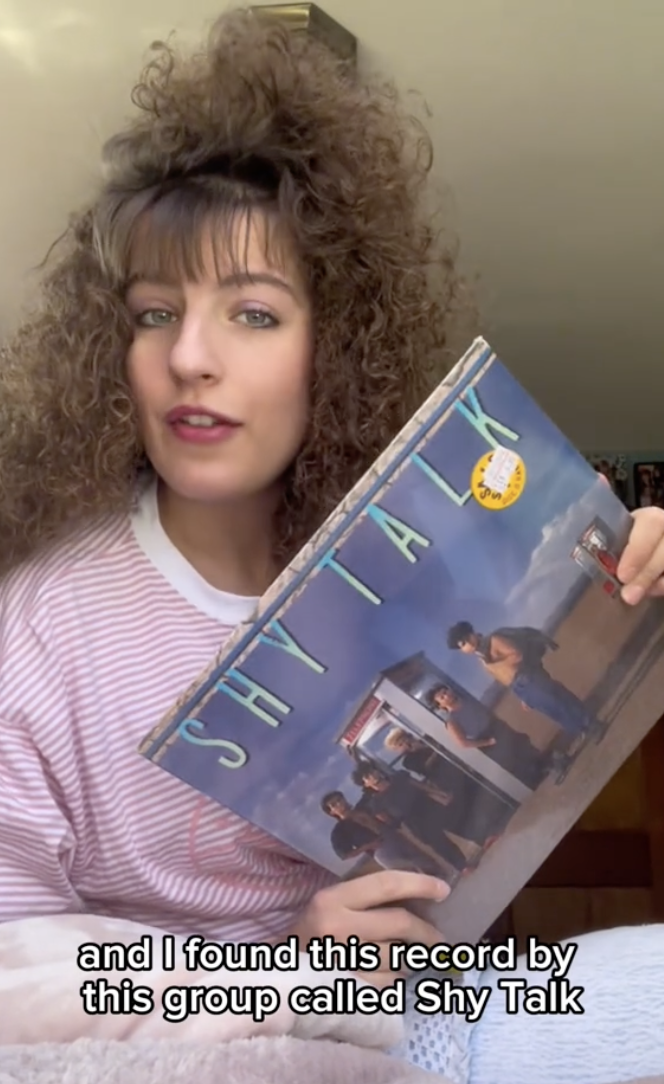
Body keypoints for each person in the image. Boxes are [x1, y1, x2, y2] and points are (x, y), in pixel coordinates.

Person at [1, 10, 664, 1084]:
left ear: (337, 342)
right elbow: (14, 984)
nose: (192, 358)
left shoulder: (424, 533)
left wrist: (637, 575)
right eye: (153, 312)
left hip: (435, 1016)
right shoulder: (41, 625)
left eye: (253, 315)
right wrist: (289, 977)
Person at [447, 621, 602, 742]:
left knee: (558, 700)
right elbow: (503, 679)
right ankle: (582, 729)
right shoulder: (482, 659)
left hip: (528, 676)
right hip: (520, 686)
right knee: (551, 710)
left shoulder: (493, 641)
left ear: (473, 633)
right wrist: (521, 697)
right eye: (463, 644)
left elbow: (516, 655)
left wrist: (496, 663)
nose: (468, 644)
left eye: (467, 638)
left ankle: (591, 724)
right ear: (462, 650)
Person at [384, 726, 513, 840]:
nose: (403, 745)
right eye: (399, 745)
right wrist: (432, 751)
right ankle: (492, 826)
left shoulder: (426, 740)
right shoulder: (409, 760)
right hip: (445, 779)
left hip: (457, 769)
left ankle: (504, 808)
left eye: (402, 741)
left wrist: (424, 745)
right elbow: (425, 767)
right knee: (470, 800)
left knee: (479, 788)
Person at [425, 682, 551, 787]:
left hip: (496, 725)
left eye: (445, 691)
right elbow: (462, 742)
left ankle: (543, 762)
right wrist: (486, 742)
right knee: (513, 758)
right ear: (440, 706)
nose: (446, 695)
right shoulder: (451, 721)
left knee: (520, 743)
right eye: (442, 697)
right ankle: (537, 776)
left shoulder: (466, 699)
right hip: (486, 737)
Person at [321, 789, 454, 878]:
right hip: (380, 850)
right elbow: (344, 854)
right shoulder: (340, 831)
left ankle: (445, 879)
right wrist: (368, 846)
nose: (339, 804)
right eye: (334, 804)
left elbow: (367, 787)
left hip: (392, 835)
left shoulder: (362, 806)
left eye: (339, 799)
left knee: (421, 858)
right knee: (407, 873)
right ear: (331, 812)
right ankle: (434, 891)